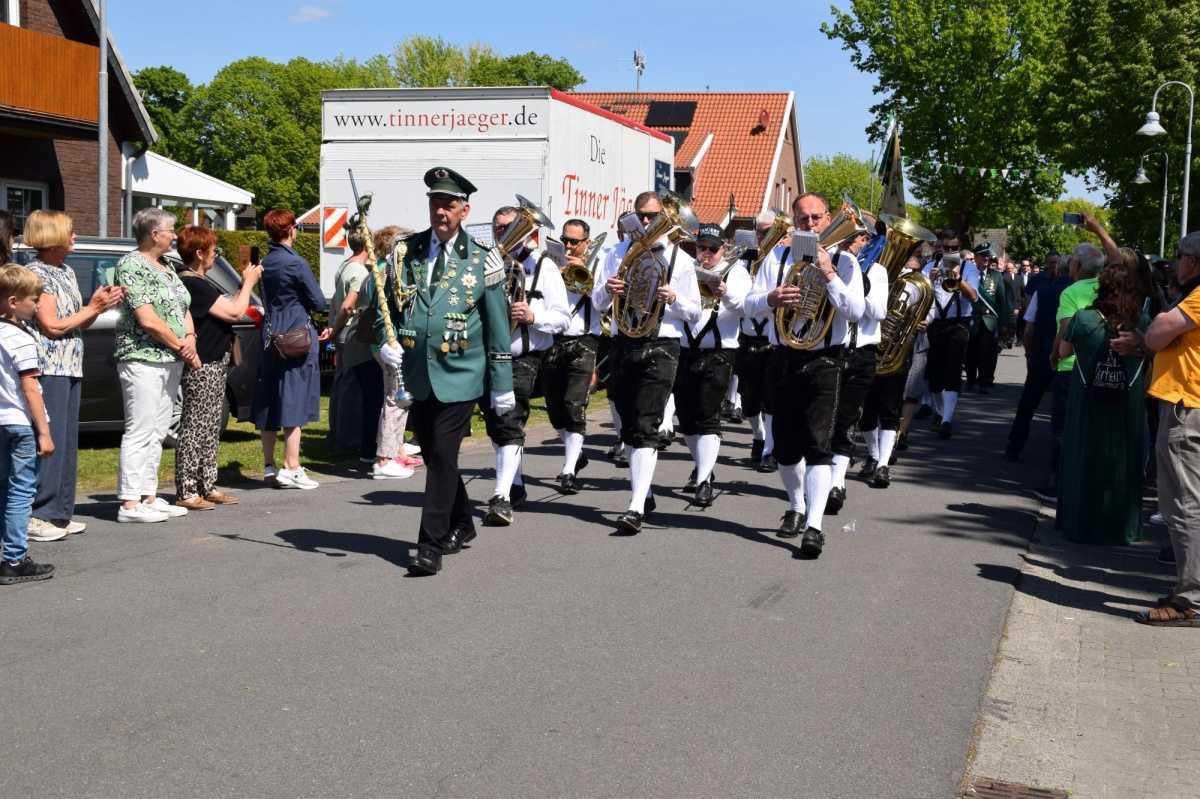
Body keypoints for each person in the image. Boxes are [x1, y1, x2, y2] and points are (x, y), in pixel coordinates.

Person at [373, 166, 514, 576]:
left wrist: (501, 384)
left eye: (449, 205)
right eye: (435, 203)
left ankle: (429, 545)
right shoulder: (406, 251)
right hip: (417, 373)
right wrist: (385, 341)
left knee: (443, 455)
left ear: (464, 210)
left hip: (461, 372)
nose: (441, 211)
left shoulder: (483, 257)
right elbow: (387, 306)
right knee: (437, 457)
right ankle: (463, 523)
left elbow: (497, 325)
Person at [744, 191, 865, 557]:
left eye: (816, 218)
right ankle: (796, 505)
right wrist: (771, 299)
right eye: (802, 219)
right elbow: (748, 304)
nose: (810, 224)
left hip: (825, 359)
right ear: (793, 222)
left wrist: (828, 273)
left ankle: (814, 526)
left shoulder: (845, 262)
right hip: (783, 357)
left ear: (827, 219)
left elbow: (855, 311)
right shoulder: (777, 257)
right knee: (784, 448)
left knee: (818, 445)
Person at [592, 191, 702, 534]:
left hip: (662, 344)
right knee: (627, 424)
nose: (644, 221)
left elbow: (695, 312)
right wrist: (608, 289)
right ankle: (645, 492)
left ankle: (635, 506)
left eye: (652, 216)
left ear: (664, 218)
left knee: (646, 422)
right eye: (640, 214)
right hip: (624, 340)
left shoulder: (680, 258)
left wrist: (675, 298)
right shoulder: (616, 253)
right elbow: (597, 303)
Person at [24, 210, 122, 539]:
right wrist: (93, 308)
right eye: (70, 232)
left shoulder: (65, 271)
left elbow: (77, 320)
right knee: (49, 439)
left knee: (67, 441)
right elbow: (51, 326)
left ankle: (59, 512)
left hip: (70, 364)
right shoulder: (36, 274)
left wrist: (98, 306)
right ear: (52, 237)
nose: (74, 236)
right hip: (49, 366)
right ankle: (37, 513)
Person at [482, 205, 569, 526]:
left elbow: (562, 318)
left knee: (509, 419)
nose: (502, 232)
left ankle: (501, 496)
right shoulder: (487, 261)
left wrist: (534, 316)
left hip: (522, 356)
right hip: (487, 355)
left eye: (510, 226)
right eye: (498, 227)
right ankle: (515, 485)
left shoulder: (544, 265)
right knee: (495, 424)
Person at [114, 208, 199, 524]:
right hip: (143, 357)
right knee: (140, 427)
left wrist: (190, 337)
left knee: (159, 429)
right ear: (154, 234)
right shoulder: (131, 265)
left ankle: (148, 496)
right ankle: (129, 502)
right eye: (170, 230)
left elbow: (183, 306)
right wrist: (182, 347)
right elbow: (147, 319)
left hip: (169, 359)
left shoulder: (167, 266)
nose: (174, 235)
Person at [1056, 262, 1148, 544]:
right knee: (1123, 460)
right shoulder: (1142, 323)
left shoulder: (1084, 319)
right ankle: (1122, 528)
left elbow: (1064, 352)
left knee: (1083, 456)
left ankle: (1079, 523)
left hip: (1087, 400)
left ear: (1102, 288)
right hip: (1127, 402)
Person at [173, 225, 263, 510]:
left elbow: (228, 306)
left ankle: (207, 484)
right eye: (214, 250)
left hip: (214, 360)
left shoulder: (199, 282)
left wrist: (242, 286)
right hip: (202, 362)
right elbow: (235, 312)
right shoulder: (192, 283)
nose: (216, 255)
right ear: (199, 253)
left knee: (211, 425)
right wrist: (248, 283)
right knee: (195, 425)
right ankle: (188, 488)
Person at [1137, 232, 1200, 626]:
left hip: (1186, 407)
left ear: (1192, 261)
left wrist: (1162, 321)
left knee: (1184, 504)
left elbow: (1157, 333)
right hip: (1188, 403)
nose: (1175, 264)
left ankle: (1191, 599)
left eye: (1179, 257)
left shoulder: (1197, 297)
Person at [251, 208, 329, 490]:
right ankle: (292, 466)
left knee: (270, 398)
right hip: (295, 334)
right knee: (294, 398)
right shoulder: (296, 263)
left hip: (270, 335)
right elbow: (318, 301)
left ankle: (269, 465)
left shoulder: (265, 262)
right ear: (292, 229)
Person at [674, 223, 751, 507]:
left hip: (719, 352)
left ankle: (704, 479)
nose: (706, 254)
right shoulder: (685, 270)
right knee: (686, 420)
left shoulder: (737, 271)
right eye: (701, 248)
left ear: (723, 249)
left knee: (707, 416)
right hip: (685, 349)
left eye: (712, 249)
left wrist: (724, 292)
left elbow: (744, 307)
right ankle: (702, 466)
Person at [328, 224, 413, 479]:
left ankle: (390, 453)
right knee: (393, 398)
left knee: (391, 398)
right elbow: (376, 308)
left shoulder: (373, 270)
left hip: (377, 343)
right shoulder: (382, 272)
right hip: (384, 343)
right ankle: (384, 457)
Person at [0, 265, 56, 584]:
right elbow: (30, 387)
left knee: (3, 487)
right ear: (13, 301)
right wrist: (44, 432)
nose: (37, 305)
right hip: (20, 424)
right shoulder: (20, 338)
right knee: (21, 491)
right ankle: (15, 558)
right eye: (33, 300)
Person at [827, 228, 887, 513]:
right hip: (833, 348)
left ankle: (837, 482)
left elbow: (879, 313)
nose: (854, 244)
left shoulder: (878, 272)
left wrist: (861, 287)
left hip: (862, 352)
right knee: (825, 418)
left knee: (847, 417)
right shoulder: (831, 265)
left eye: (860, 239)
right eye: (849, 239)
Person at [1043, 242, 1106, 500]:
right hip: (1100, 366)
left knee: (1063, 428)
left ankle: (1058, 484)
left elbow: (1066, 328)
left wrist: (1054, 354)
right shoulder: (1107, 288)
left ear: (1077, 265)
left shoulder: (1071, 291)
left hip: (1071, 368)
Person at [544, 218, 602, 494]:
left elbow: (604, 301)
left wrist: (586, 273)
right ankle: (576, 455)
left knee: (573, 403)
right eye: (564, 240)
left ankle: (568, 470)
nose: (568, 246)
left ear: (586, 243)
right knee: (554, 407)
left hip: (584, 339)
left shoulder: (597, 264)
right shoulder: (550, 263)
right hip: (553, 338)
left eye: (574, 242)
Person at [861, 253, 927, 487]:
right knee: (867, 412)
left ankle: (883, 465)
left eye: (912, 266)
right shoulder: (874, 275)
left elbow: (926, 316)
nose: (906, 269)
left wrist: (921, 322)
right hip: (868, 348)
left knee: (890, 410)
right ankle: (874, 455)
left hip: (894, 353)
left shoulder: (919, 286)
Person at [1005, 252, 1069, 463]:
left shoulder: (1042, 291)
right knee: (1061, 413)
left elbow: (1029, 328)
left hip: (1042, 354)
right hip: (1066, 358)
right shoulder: (1077, 291)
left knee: (1028, 405)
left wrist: (1029, 352)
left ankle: (1014, 447)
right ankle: (1059, 462)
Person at [737, 210, 788, 471]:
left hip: (773, 338)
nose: (760, 236)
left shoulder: (784, 261)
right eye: (758, 231)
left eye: (767, 232)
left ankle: (769, 448)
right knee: (748, 401)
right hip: (747, 337)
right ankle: (759, 436)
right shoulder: (744, 260)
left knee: (771, 398)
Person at [923, 236, 980, 438]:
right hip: (935, 324)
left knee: (953, 371)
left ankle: (947, 419)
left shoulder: (969, 268)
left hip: (959, 324)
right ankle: (939, 412)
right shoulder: (930, 266)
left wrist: (958, 279)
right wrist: (930, 280)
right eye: (945, 247)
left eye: (953, 247)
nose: (948, 251)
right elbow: (921, 295)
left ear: (959, 247)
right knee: (934, 374)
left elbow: (973, 296)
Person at [964, 247, 1010, 394]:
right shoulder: (968, 273)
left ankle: (984, 381)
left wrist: (1004, 323)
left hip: (989, 319)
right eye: (982, 256)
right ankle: (970, 380)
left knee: (987, 352)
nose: (985, 259)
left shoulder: (996, 275)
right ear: (976, 257)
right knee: (970, 351)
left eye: (987, 256)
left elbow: (1002, 300)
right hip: (971, 318)